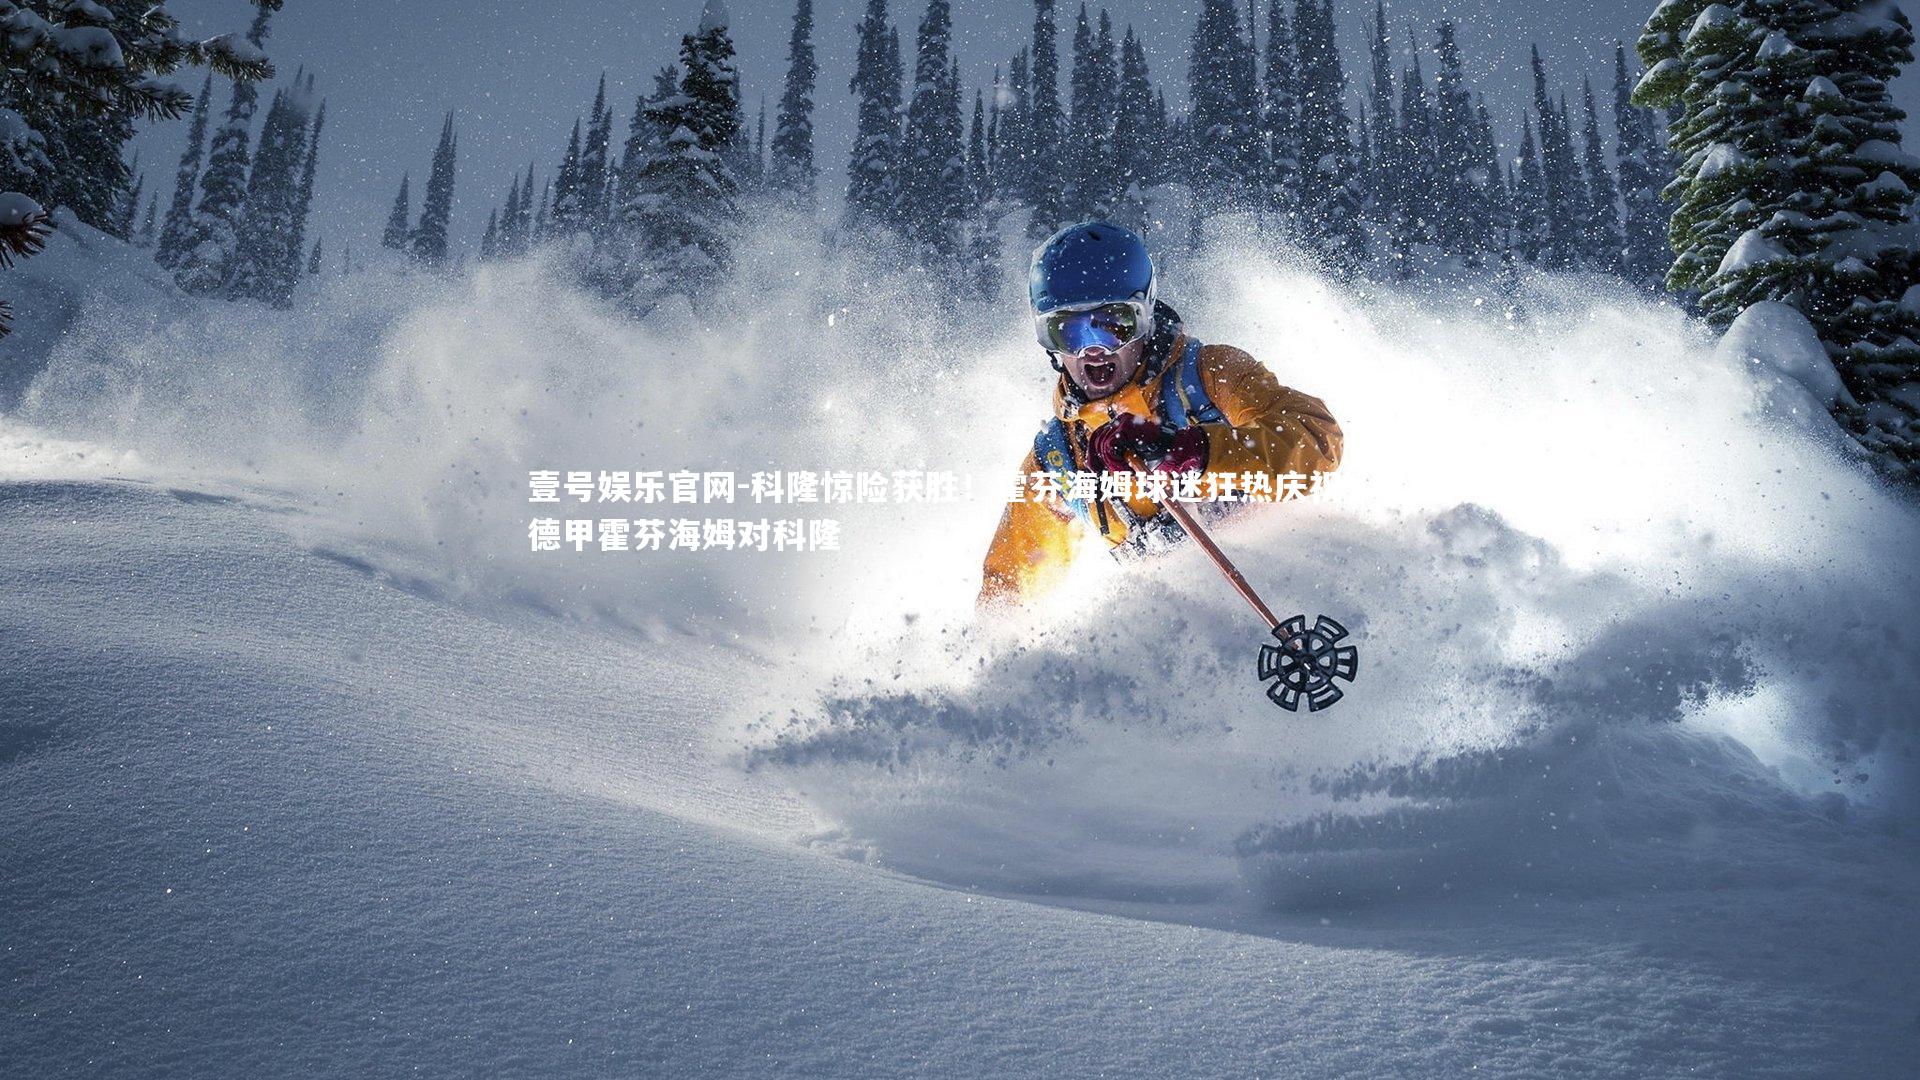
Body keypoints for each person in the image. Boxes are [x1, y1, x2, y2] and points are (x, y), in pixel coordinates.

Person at [977, 221, 1344, 607]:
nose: (1092, 351)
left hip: (1296, 600)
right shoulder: (1060, 461)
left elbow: (1319, 442)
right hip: (1195, 629)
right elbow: (1007, 590)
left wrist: (1196, 451)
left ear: (1145, 316)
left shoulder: (1209, 380)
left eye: (1113, 324)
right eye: (1068, 331)